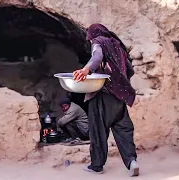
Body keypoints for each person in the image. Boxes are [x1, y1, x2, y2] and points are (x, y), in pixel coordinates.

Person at [73, 24, 139, 176]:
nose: (90, 42)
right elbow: (130, 69)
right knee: (124, 130)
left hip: (102, 96)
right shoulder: (117, 45)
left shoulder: (99, 42)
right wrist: (119, 83)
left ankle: (96, 166)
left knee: (98, 131)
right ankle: (131, 161)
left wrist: (86, 70)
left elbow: (97, 56)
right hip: (119, 97)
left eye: (90, 39)